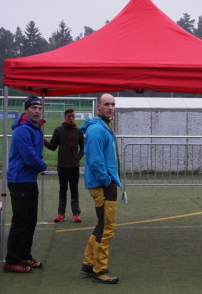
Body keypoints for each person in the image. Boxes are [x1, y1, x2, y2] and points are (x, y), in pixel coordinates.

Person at [80, 93, 122, 284]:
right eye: (107, 104)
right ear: (98, 107)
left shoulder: (101, 127)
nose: (111, 107)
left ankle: (89, 264)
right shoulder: (97, 130)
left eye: (113, 104)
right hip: (103, 185)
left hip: (104, 183)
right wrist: (107, 181)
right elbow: (96, 161)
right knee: (107, 228)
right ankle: (100, 269)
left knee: (100, 225)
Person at [3, 96, 47, 273]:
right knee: (20, 221)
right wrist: (42, 165)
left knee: (30, 220)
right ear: (26, 110)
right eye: (33, 108)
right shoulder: (22, 130)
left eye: (39, 107)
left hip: (29, 180)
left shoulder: (36, 128)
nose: (37, 111)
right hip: (19, 180)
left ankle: (25, 255)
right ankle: (11, 260)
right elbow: (29, 156)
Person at [44, 108, 84, 223]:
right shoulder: (58, 130)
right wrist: (44, 142)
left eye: (73, 116)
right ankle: (61, 214)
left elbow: (83, 147)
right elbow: (52, 147)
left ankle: (76, 214)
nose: (71, 118)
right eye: (69, 116)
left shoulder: (78, 131)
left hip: (74, 166)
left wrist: (78, 157)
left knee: (74, 190)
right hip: (62, 166)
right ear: (65, 117)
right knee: (63, 190)